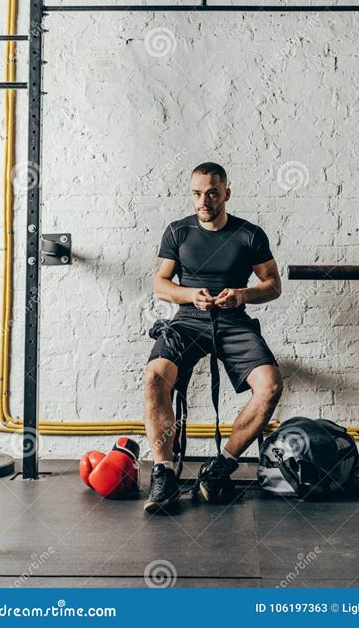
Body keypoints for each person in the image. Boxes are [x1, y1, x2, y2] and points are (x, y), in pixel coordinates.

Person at [144, 162, 283, 512]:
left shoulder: (249, 234)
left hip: (233, 320)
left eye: (211, 193)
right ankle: (163, 474)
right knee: (155, 376)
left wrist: (242, 294)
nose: (203, 201)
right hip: (189, 320)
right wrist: (190, 295)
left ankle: (221, 465)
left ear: (226, 194)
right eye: (196, 193)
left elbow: (272, 285)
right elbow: (160, 284)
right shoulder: (178, 232)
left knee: (270, 385)